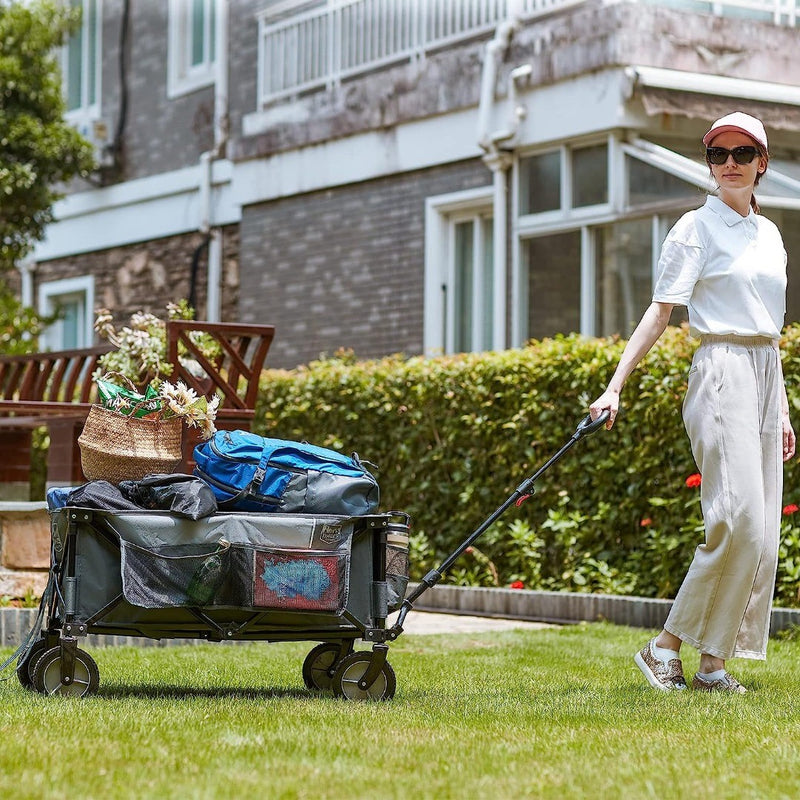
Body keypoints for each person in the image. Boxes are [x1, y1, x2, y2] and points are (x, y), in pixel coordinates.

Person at [590, 111, 795, 694]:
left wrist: (779, 408)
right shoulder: (693, 229)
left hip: (763, 373)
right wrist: (614, 385)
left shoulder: (771, 234)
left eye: (742, 154)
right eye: (718, 155)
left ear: (762, 164)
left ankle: (712, 664)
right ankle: (663, 649)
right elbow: (661, 310)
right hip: (721, 369)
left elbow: (771, 331)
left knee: (758, 534)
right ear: (709, 164)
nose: (729, 164)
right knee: (735, 519)